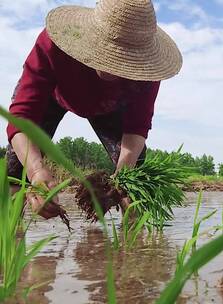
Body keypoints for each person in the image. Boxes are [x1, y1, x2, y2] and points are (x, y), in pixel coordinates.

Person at [5, 0, 182, 219]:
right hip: (54, 96)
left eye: (126, 61)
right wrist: (35, 171)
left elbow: (137, 126)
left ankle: (136, 242)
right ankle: (11, 238)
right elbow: (22, 116)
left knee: (133, 181)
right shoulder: (53, 45)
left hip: (111, 106)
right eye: (111, 56)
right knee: (15, 172)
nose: (115, 70)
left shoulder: (146, 71)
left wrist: (120, 178)